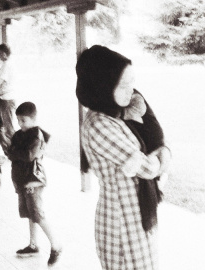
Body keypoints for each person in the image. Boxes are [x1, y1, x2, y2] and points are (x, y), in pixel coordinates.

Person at [76, 45, 171, 269]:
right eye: (124, 85)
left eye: (133, 82)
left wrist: (162, 152)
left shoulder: (117, 114)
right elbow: (148, 168)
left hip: (136, 214)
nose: (132, 91)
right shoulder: (99, 124)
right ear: (102, 86)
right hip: (122, 222)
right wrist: (162, 156)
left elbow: (155, 142)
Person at [7, 101, 62, 266]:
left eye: (23, 120)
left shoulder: (36, 135)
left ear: (33, 119)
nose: (20, 124)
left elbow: (28, 156)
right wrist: (15, 152)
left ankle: (56, 245)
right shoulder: (19, 135)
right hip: (23, 180)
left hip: (33, 180)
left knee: (37, 214)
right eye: (18, 120)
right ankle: (33, 245)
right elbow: (11, 152)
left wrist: (14, 152)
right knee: (30, 213)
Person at [0, 43, 16, 156]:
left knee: (9, 129)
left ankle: (17, 153)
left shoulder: (7, 65)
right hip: (3, 99)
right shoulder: (8, 64)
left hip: (6, 100)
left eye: (0, 53)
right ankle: (9, 152)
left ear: (5, 54)